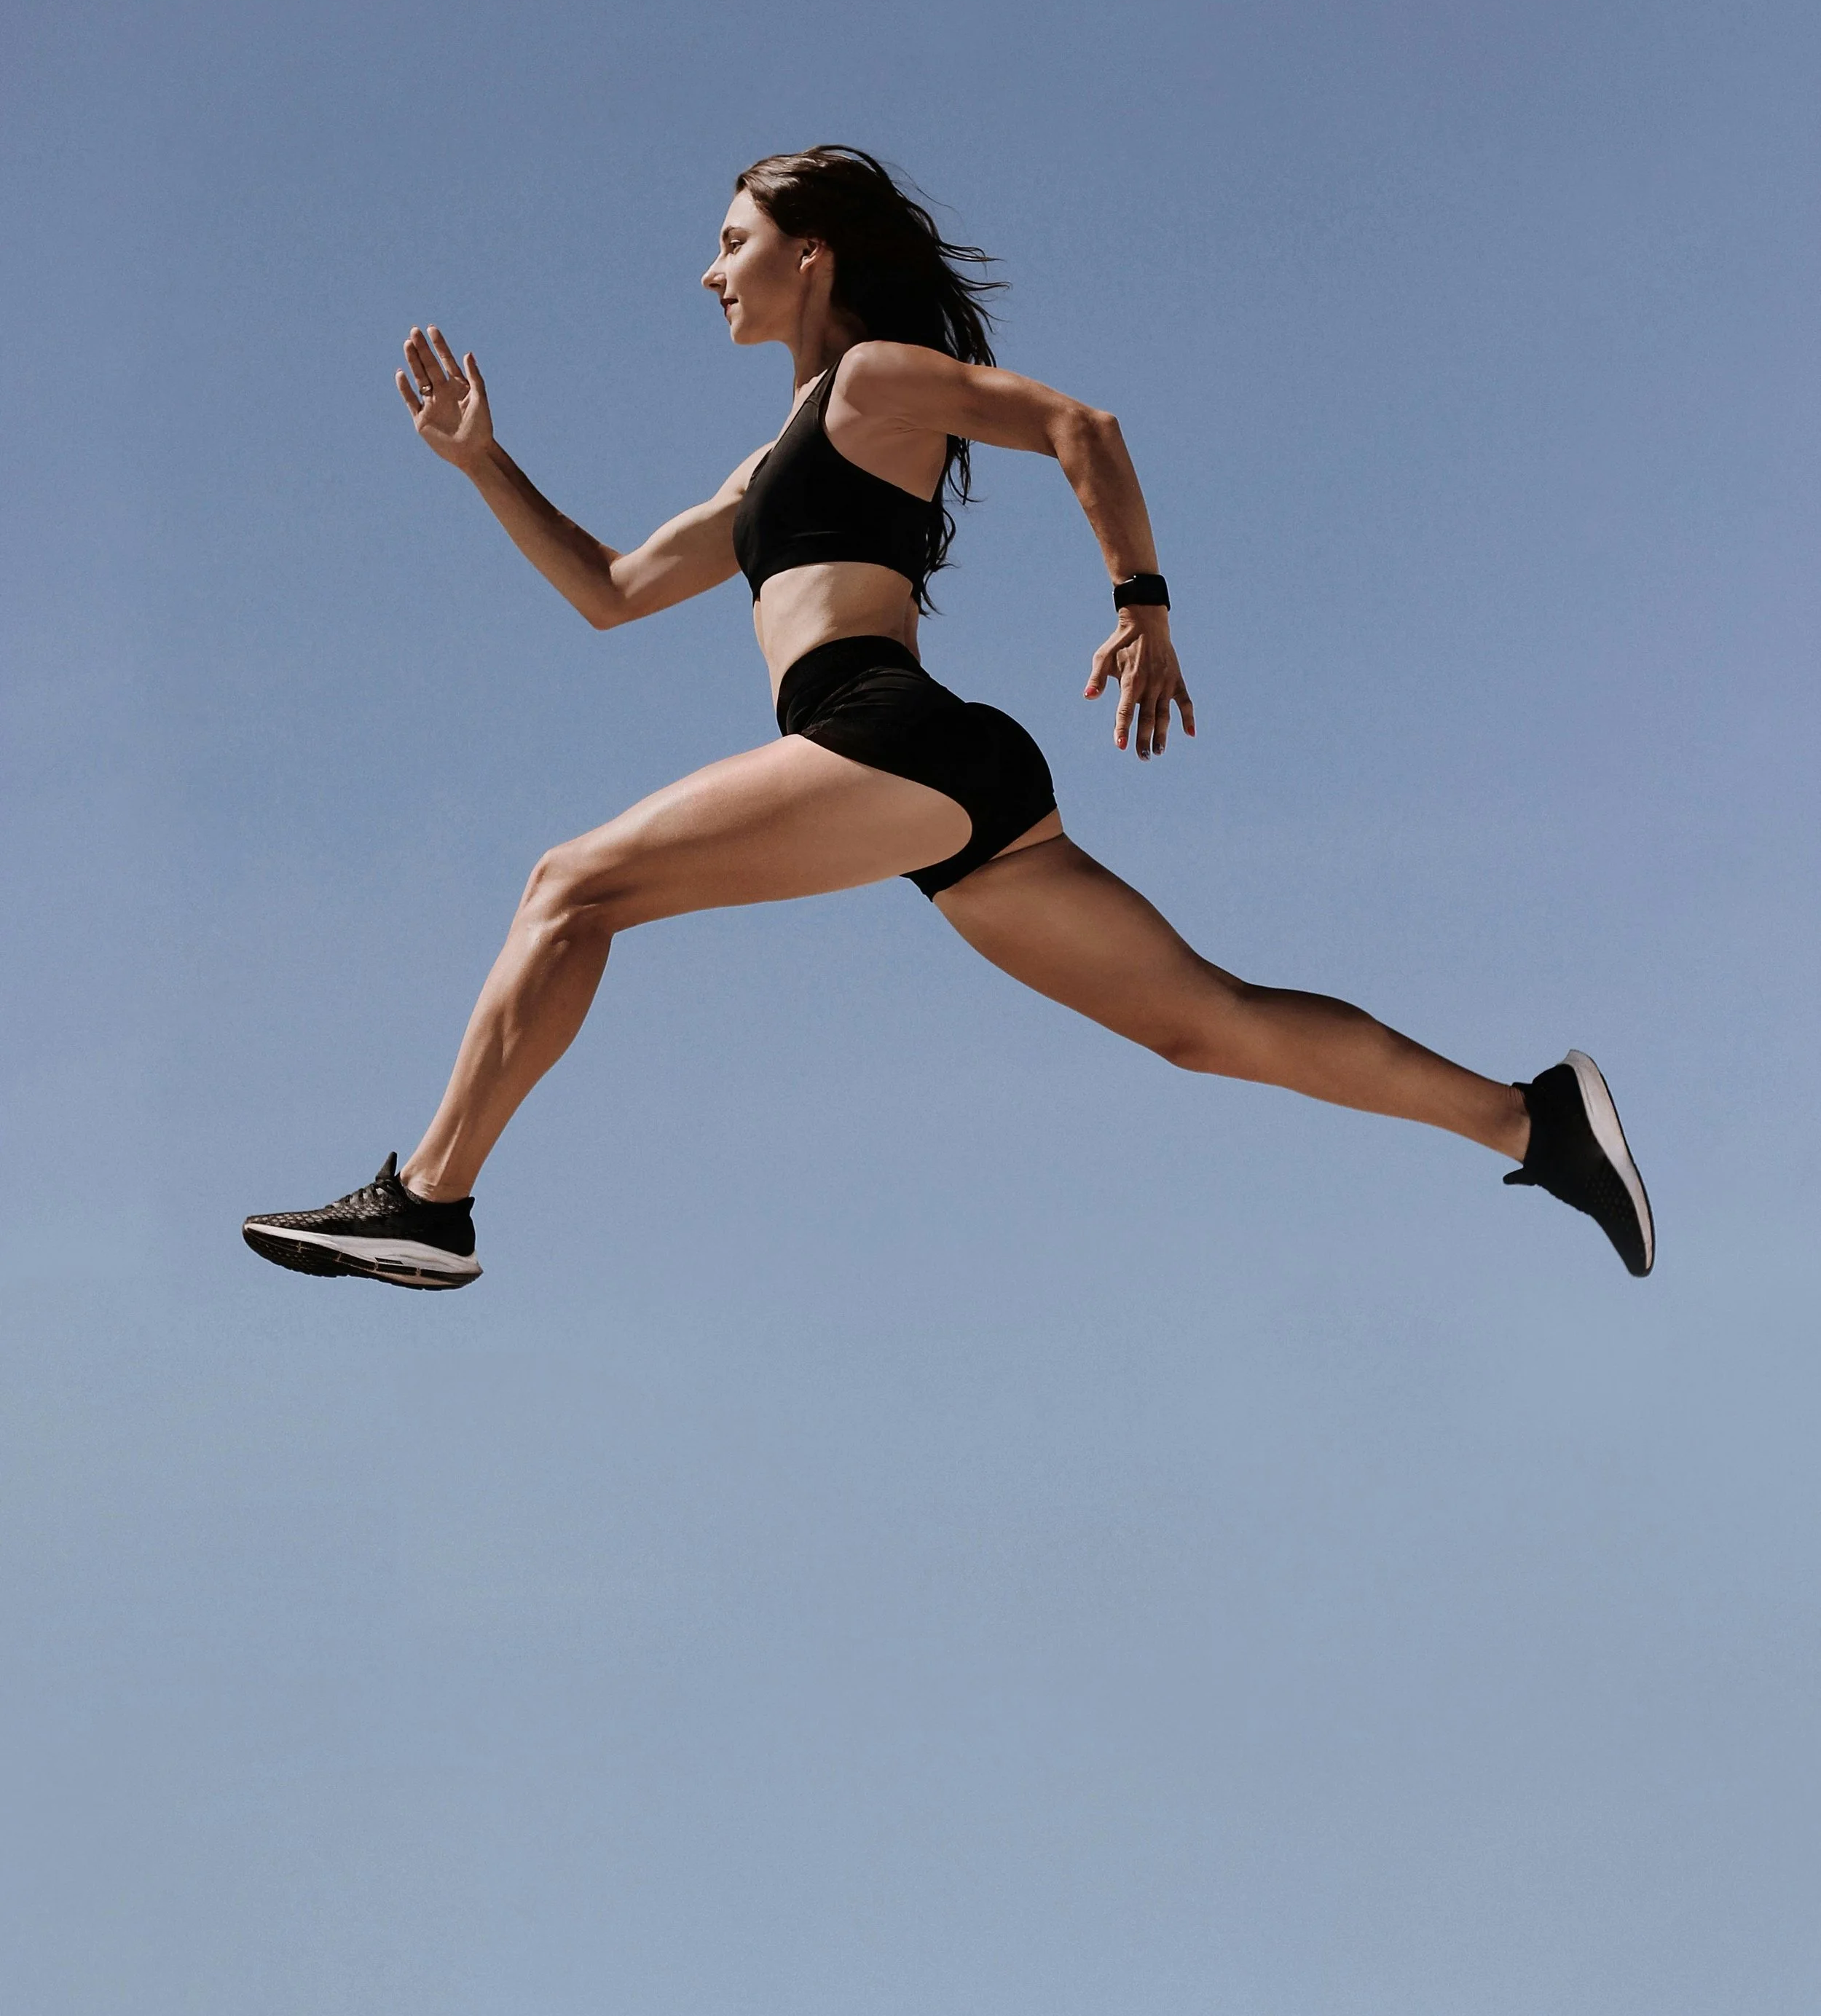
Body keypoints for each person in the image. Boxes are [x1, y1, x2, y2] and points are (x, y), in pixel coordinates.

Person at [243, 146, 1653, 1290]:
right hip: (937, 782)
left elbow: (1080, 427)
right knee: (1205, 1025)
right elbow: (610, 591)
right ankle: (1534, 1118)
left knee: (570, 886)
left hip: (884, 735)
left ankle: (430, 1201)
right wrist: (486, 462)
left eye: (733, 239)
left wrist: (1141, 601)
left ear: (814, 255)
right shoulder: (777, 455)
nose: (709, 268)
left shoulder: (875, 377)